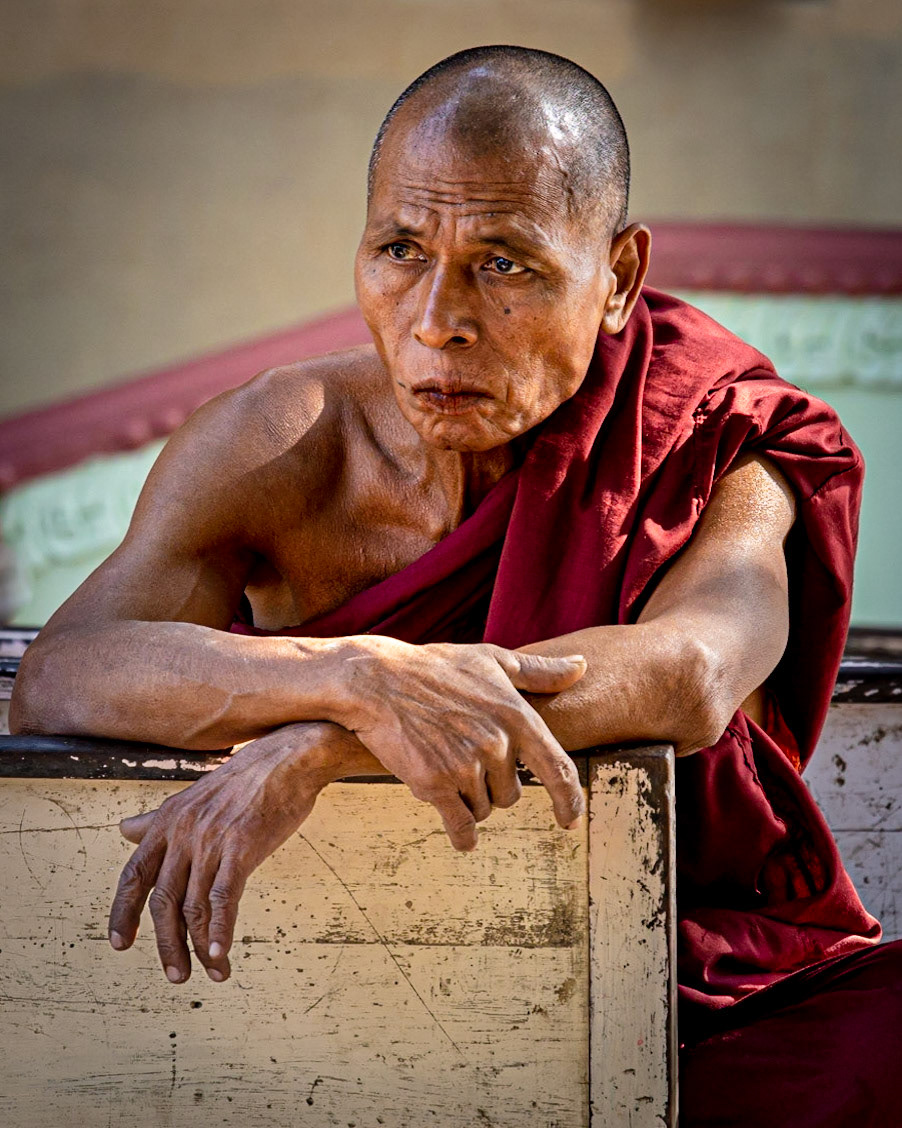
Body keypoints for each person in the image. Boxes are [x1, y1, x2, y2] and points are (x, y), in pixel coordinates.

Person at [11, 45, 901, 1125]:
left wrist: (333, 739)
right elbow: (63, 672)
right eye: (400, 250)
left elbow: (693, 671)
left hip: (694, 983)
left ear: (619, 278)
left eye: (504, 263)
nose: (437, 319)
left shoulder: (716, 431)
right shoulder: (281, 444)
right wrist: (356, 677)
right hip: (333, 987)